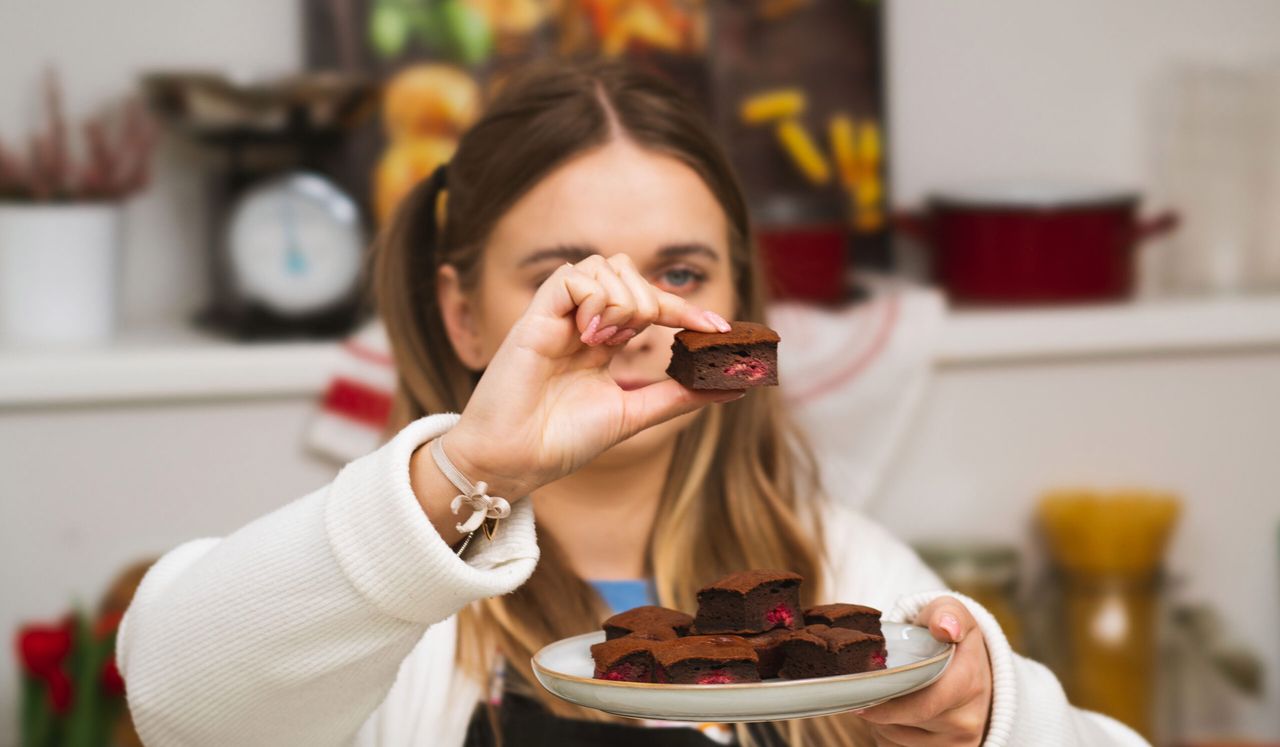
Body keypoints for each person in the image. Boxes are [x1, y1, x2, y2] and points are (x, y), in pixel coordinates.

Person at [118, 61, 1147, 747]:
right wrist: (467, 476)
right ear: (463, 318)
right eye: (566, 278)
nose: (632, 314)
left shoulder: (848, 579)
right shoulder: (389, 615)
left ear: (737, 303)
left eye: (683, 272)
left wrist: (989, 723)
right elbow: (177, 697)